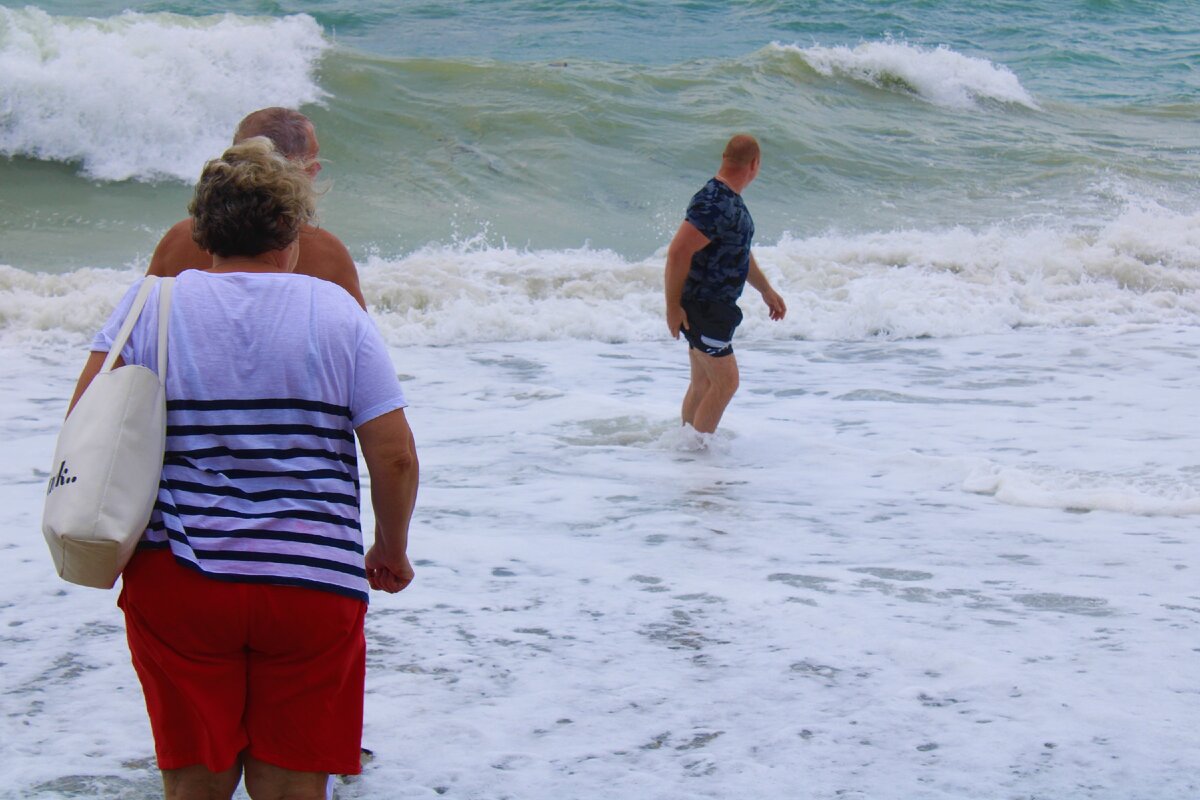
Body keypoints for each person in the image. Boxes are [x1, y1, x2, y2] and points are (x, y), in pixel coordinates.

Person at [69, 137, 418, 800]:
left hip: (179, 584)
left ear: (201, 231)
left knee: (194, 784)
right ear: (291, 231)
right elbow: (395, 453)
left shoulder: (150, 306)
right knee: (291, 786)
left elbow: (87, 424)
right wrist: (389, 547)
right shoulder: (338, 314)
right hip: (311, 584)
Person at [147, 107, 366, 309]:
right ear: (290, 172)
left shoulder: (178, 240)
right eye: (312, 159)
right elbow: (359, 343)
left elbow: (136, 334)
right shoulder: (327, 252)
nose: (317, 167)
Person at [664, 133, 787, 435]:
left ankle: (686, 450)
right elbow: (678, 251)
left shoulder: (727, 199)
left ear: (724, 157)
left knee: (703, 382)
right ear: (755, 165)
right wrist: (672, 307)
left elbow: (738, 251)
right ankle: (699, 457)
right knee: (726, 382)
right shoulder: (715, 201)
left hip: (710, 307)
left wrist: (766, 289)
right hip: (706, 308)